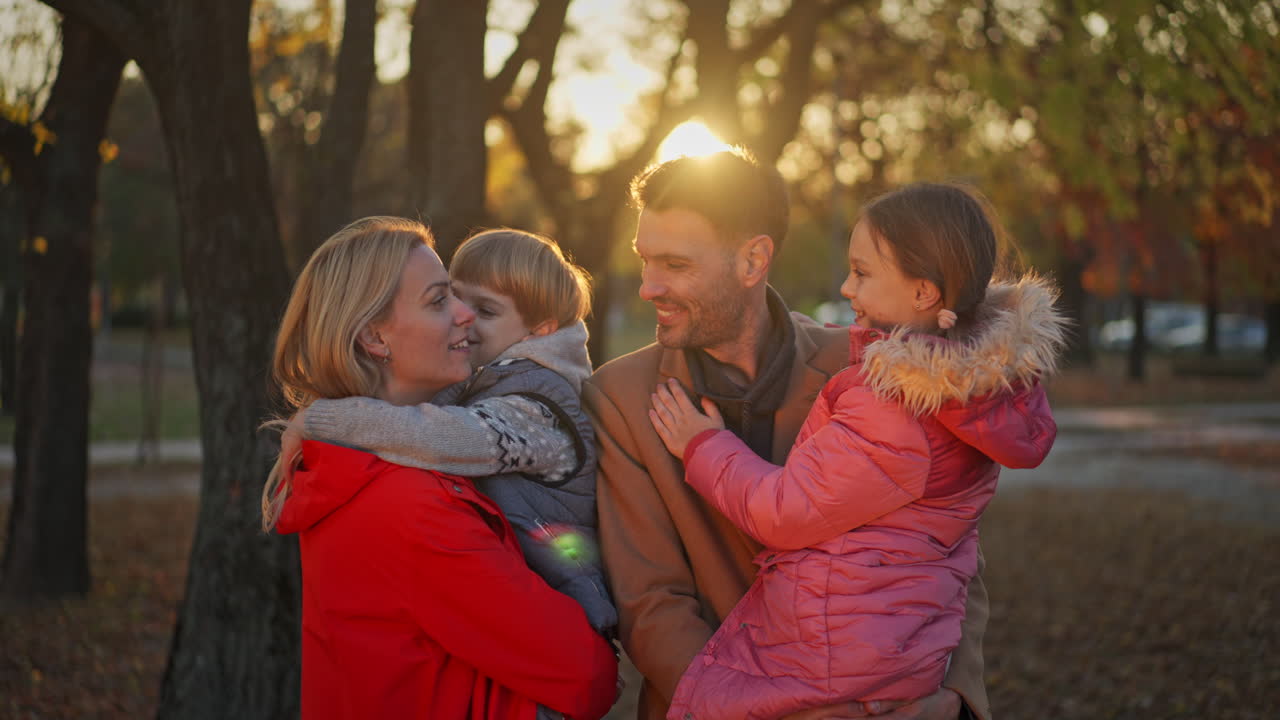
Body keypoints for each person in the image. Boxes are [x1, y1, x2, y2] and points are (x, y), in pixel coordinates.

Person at [582, 150, 992, 720]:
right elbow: (650, 604)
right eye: (644, 260)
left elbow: (944, 545)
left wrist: (952, 697)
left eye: (675, 264)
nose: (648, 287)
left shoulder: (873, 366)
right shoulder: (619, 395)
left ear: (753, 260)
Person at [647, 182, 1067, 719]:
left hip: (839, 660)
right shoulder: (968, 394)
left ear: (923, 293)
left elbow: (784, 512)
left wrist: (702, 444)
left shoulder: (896, 405)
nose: (847, 287)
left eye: (863, 273)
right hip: (893, 644)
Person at [262, 217, 617, 720]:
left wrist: (317, 418)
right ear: (373, 338)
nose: (464, 316)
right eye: (439, 301)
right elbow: (588, 676)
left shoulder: (350, 463)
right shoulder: (413, 506)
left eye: (468, 302)